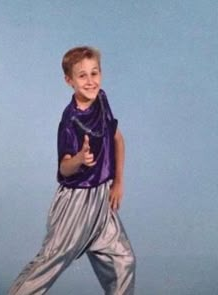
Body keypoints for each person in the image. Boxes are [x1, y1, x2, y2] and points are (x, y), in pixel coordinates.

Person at [8, 46, 136, 295]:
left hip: (101, 199)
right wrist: (79, 158)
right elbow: (65, 168)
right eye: (82, 76)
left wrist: (118, 182)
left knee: (123, 261)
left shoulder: (101, 100)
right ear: (69, 81)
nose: (90, 81)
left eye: (94, 73)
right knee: (49, 263)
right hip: (76, 203)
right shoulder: (70, 120)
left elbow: (118, 139)